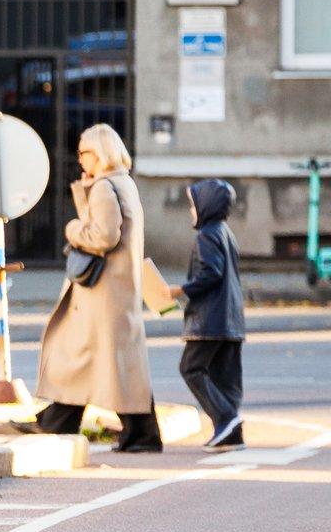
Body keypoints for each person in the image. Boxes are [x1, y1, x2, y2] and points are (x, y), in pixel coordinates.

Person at [24, 124, 162, 452]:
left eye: (84, 152)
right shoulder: (124, 183)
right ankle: (60, 419)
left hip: (102, 290)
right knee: (105, 360)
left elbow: (104, 236)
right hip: (116, 290)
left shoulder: (104, 187)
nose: (80, 159)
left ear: (99, 153)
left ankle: (139, 433)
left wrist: (73, 229)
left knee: (89, 356)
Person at [170, 179, 246, 449]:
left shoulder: (206, 235)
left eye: (193, 206)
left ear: (207, 207)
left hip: (210, 321)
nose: (192, 211)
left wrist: (180, 289)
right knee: (221, 374)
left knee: (191, 368)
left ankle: (226, 419)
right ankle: (230, 431)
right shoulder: (225, 232)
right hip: (230, 320)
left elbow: (210, 274)